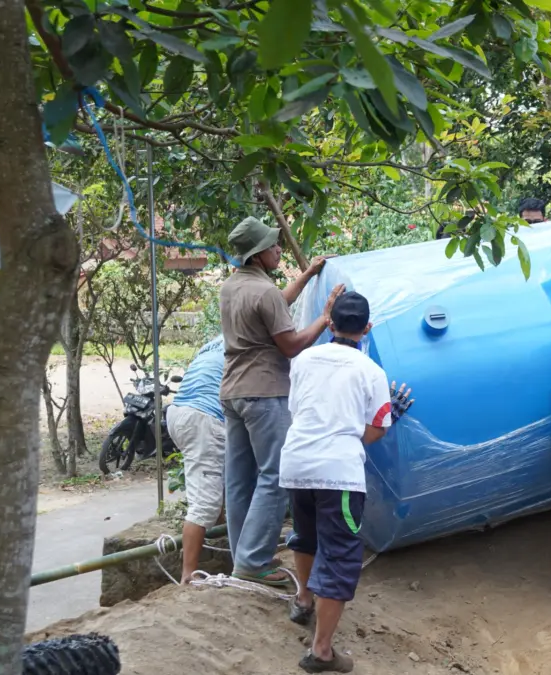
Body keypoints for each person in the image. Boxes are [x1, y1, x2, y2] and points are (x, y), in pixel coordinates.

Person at [280, 291, 413, 673]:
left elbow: (299, 411)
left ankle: (303, 600)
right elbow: (374, 431)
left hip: (296, 465)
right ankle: (322, 651)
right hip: (338, 474)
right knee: (339, 557)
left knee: (305, 535)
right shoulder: (371, 371)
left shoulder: (303, 360)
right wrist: (389, 414)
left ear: (331, 323)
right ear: (367, 328)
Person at [220, 216, 344, 586]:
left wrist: (306, 276)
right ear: (257, 255)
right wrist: (324, 318)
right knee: (276, 475)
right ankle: (254, 562)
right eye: (272, 246)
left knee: (239, 480)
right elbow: (290, 345)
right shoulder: (265, 292)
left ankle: (243, 557)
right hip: (265, 392)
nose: (278, 249)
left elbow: (275, 306)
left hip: (233, 392)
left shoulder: (233, 286)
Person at [165, 336, 226, 582]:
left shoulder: (217, 341)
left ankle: (219, 531)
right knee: (204, 504)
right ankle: (188, 575)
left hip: (180, 411)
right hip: (204, 416)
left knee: (218, 480)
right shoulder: (251, 338)